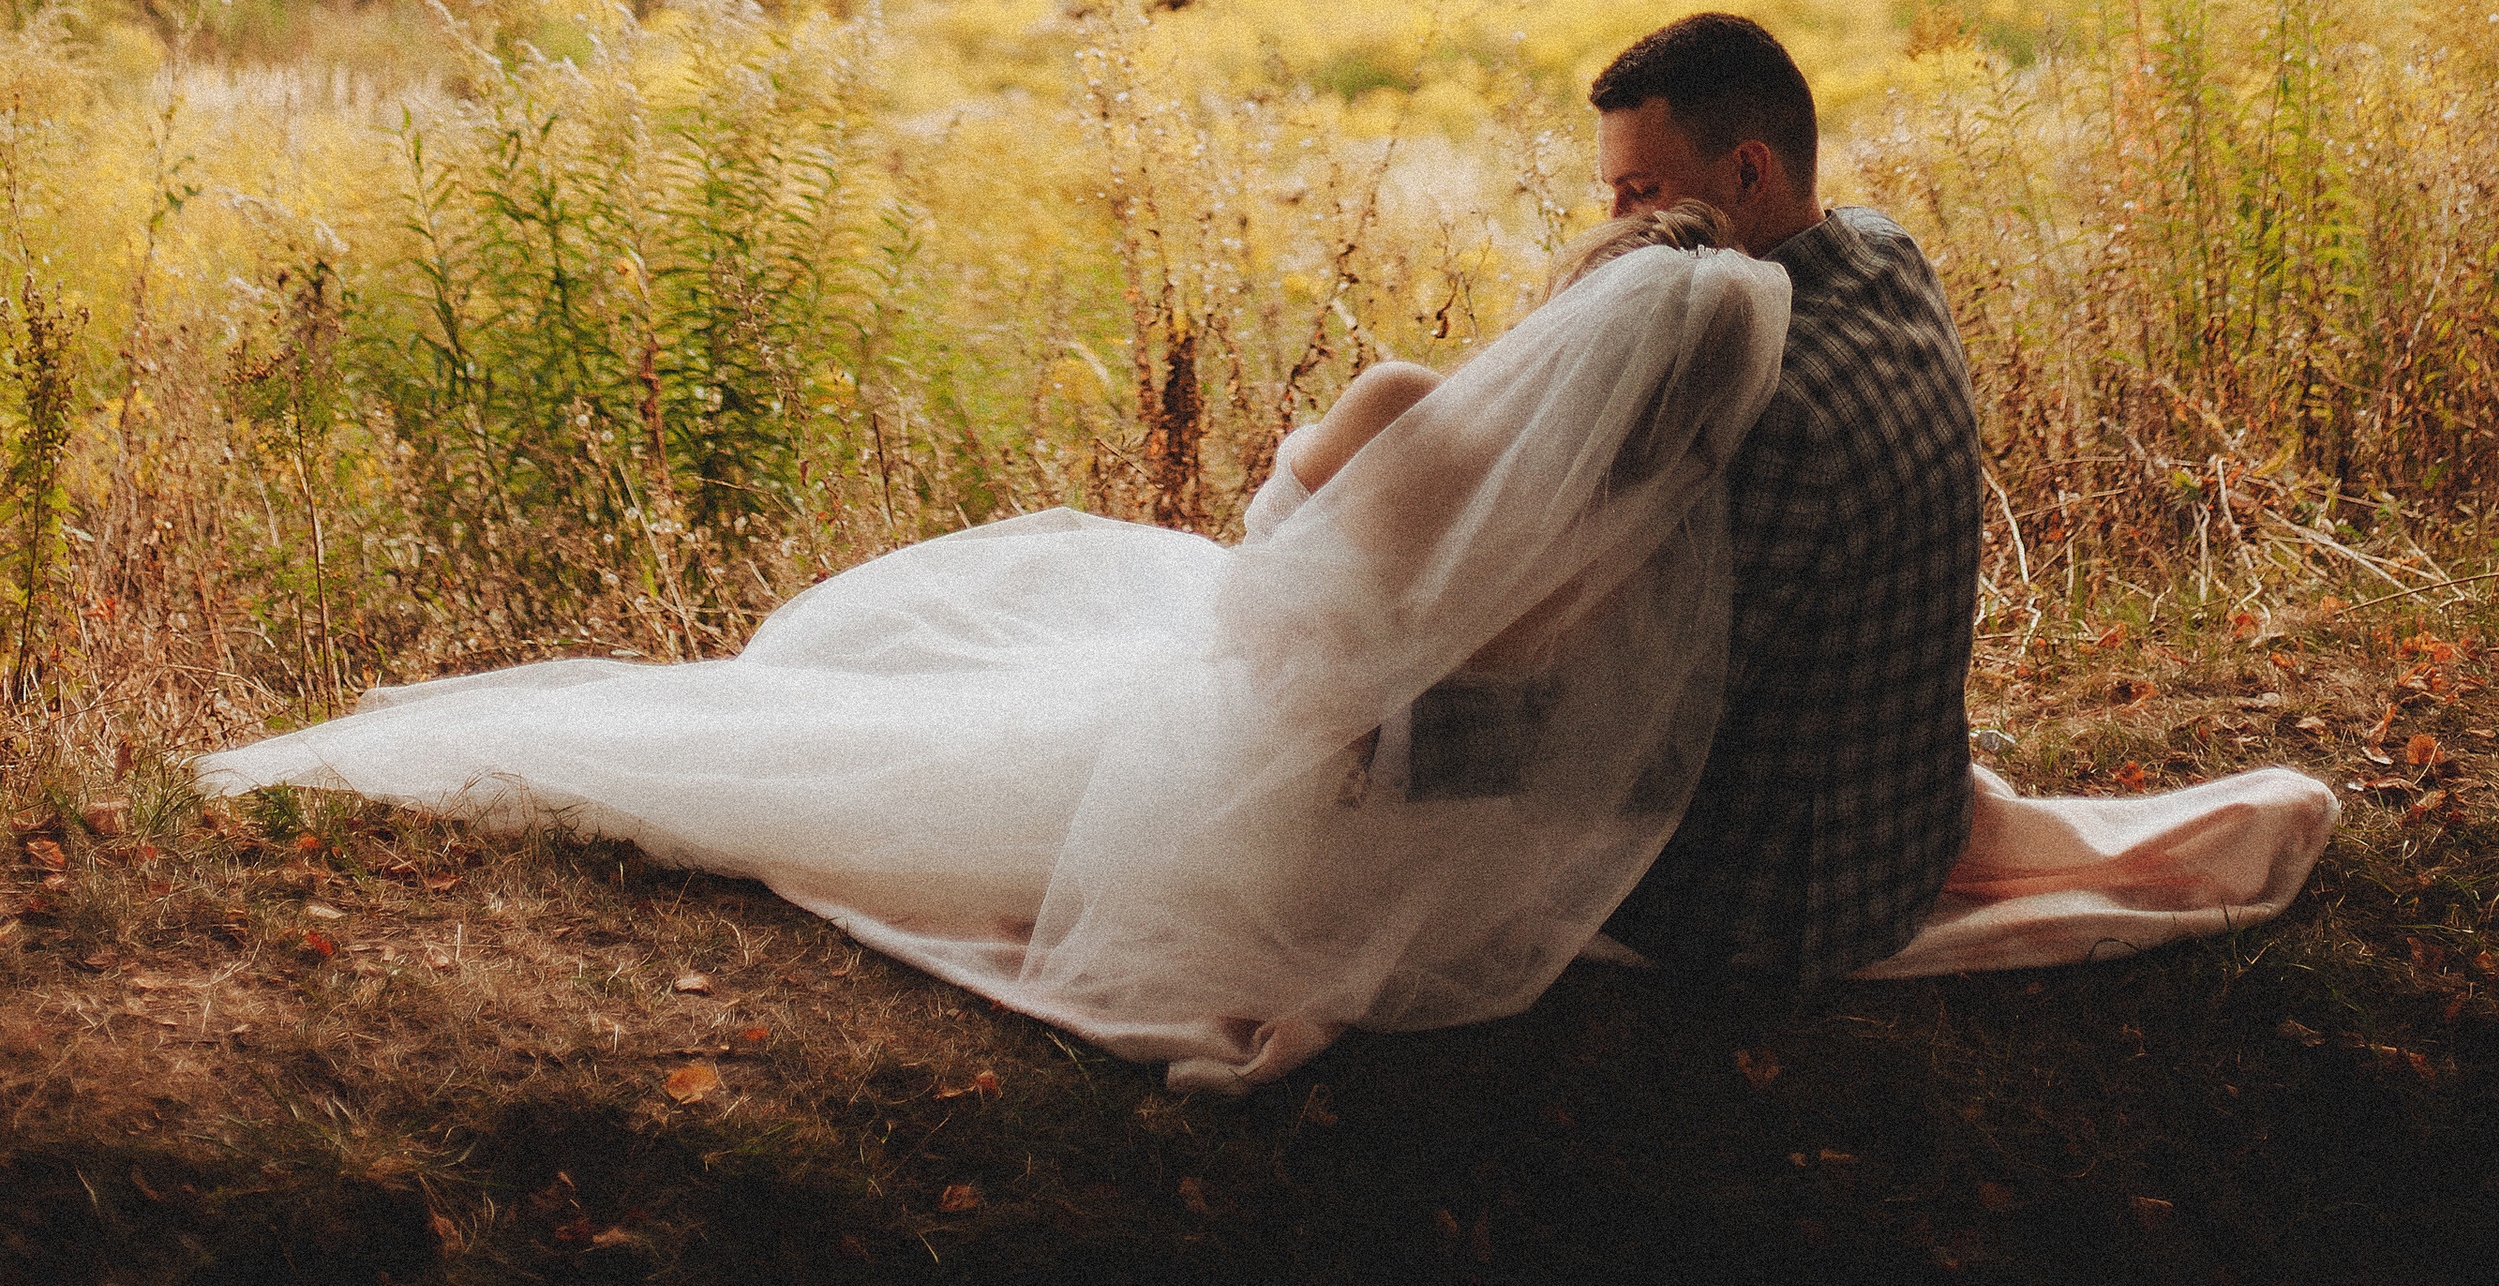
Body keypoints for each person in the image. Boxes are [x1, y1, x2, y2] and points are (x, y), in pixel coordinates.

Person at [197, 216, 1793, 1093]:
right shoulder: (1640, 553)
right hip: (1369, 864)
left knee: (895, 717)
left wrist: (1325, 650)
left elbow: (1259, 596)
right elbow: (1506, 745)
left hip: (1241, 767)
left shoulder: (1400, 405)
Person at [1584, 10, 1983, 991]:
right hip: (1912, 828)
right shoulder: (1883, 249)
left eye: (1642, 191)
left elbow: (1659, 716)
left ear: (1748, 173)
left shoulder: (1767, 403)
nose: (1615, 225)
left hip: (1772, 902)